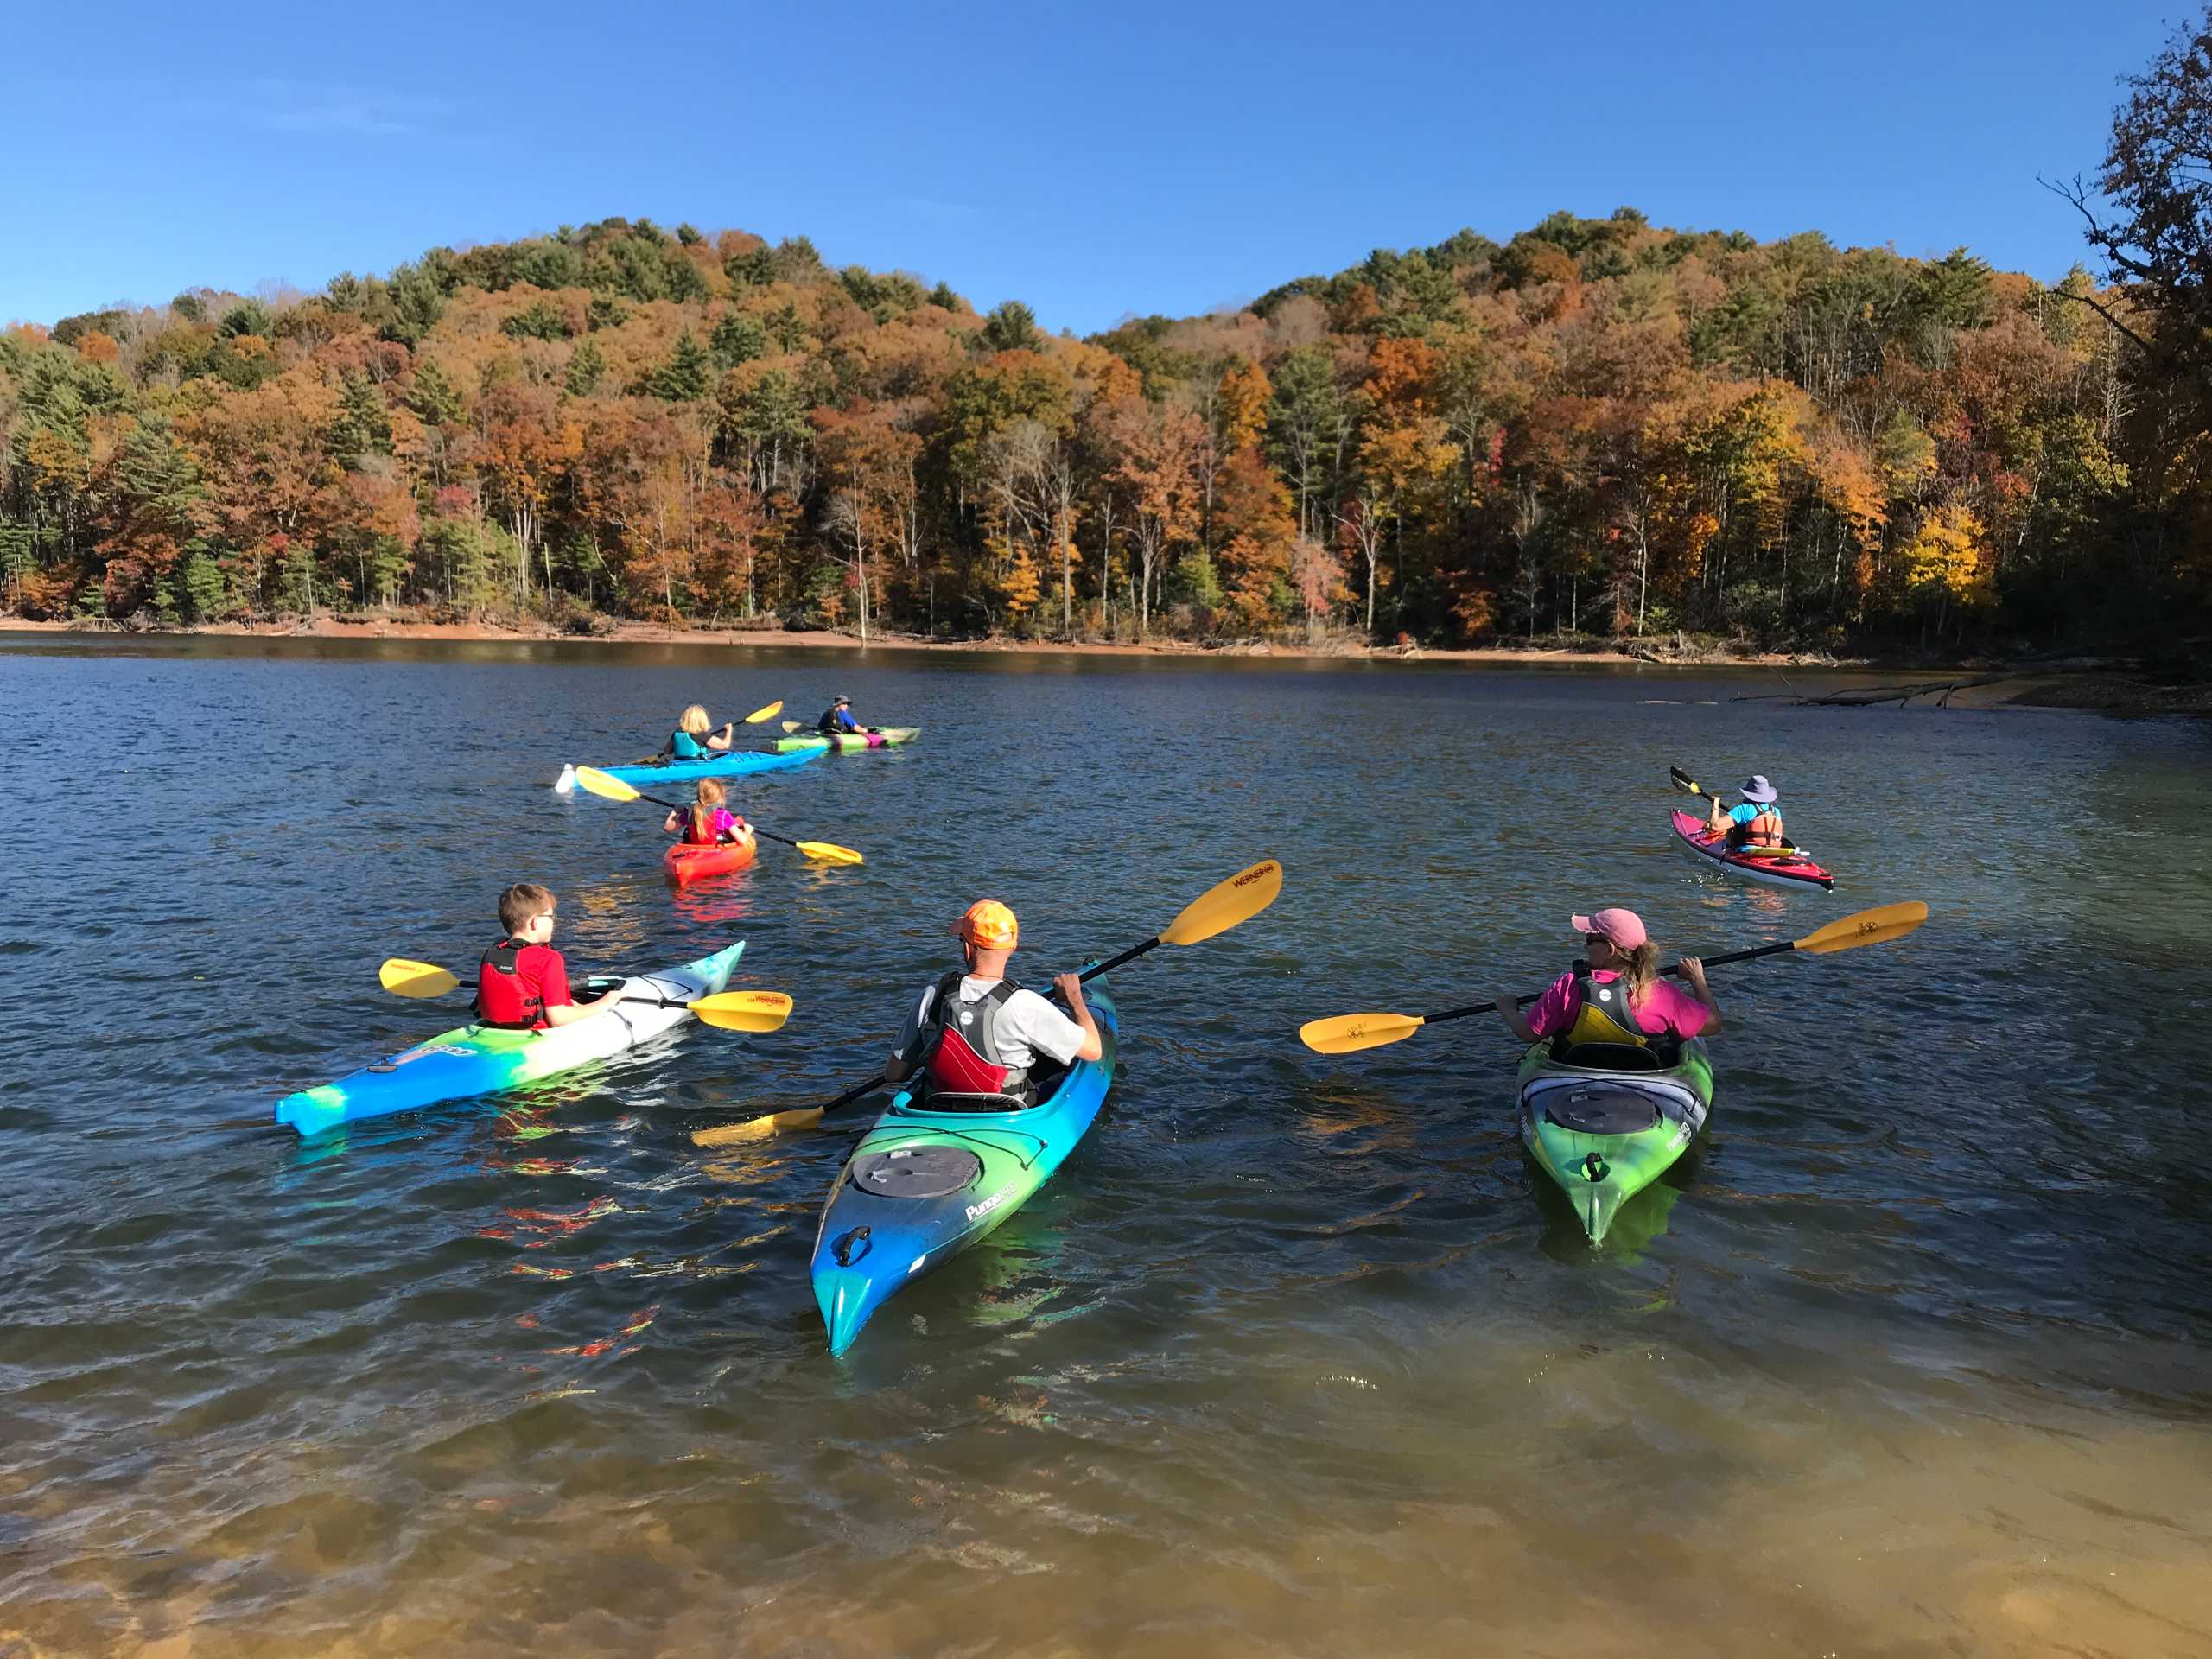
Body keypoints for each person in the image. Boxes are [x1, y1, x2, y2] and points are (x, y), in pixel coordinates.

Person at [881, 899, 1103, 1107]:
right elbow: (1093, 1051)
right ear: (1013, 947)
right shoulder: (1028, 1004)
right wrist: (1074, 999)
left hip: (938, 1107)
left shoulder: (931, 997)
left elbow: (894, 1074)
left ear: (967, 949)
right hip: (1006, 1112)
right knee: (1057, 1069)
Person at [1496, 907, 1721, 1052]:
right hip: (1642, 1077)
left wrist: (1508, 1010)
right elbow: (1713, 1025)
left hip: (1579, 1074)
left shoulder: (1568, 985)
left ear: (1610, 949)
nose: (1585, 946)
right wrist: (1697, 980)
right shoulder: (1661, 993)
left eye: (1589, 939)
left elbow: (1528, 1033)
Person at [474, 883, 626, 1032]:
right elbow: (558, 1019)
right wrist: (604, 1003)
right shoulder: (548, 958)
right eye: (550, 916)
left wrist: (574, 1005)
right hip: (538, 1035)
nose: (553, 921)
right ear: (535, 922)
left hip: (494, 1029)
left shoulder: (493, 952)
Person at [663, 778, 753, 848]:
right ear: (719, 797)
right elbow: (742, 841)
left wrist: (675, 811)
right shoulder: (723, 815)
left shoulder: (689, 812)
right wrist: (747, 831)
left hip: (694, 848)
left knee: (737, 821)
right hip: (714, 850)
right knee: (738, 824)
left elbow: (667, 828)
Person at [1707, 774, 1785, 849]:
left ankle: (1729, 847)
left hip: (1745, 850)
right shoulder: (1776, 811)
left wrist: (1715, 805)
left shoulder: (1743, 808)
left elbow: (1715, 826)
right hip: (1773, 849)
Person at [661, 704, 734, 762]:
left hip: (678, 763)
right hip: (696, 764)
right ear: (702, 720)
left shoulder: (677, 732)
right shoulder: (701, 734)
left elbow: (667, 751)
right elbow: (725, 745)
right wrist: (729, 730)